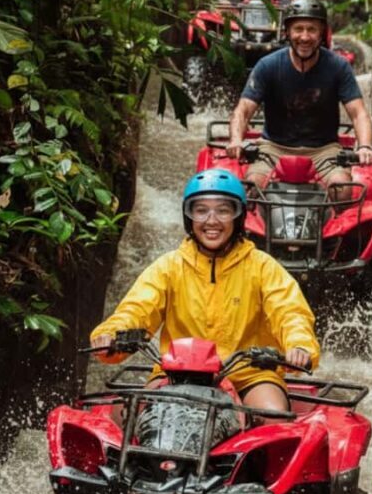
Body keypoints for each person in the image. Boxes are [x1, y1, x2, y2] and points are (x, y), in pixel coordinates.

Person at [90, 168, 319, 413]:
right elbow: (136, 310)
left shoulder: (263, 267)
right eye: (200, 211)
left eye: (223, 210)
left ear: (238, 217)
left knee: (272, 413)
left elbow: (290, 313)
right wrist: (111, 334)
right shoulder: (168, 266)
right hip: (176, 372)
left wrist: (299, 346)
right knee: (132, 414)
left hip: (249, 375)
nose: (211, 221)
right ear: (188, 217)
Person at [226, 0, 372, 201]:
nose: (304, 37)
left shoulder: (338, 67)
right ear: (287, 32)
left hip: (324, 150)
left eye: (312, 30)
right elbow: (243, 110)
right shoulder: (267, 65)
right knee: (251, 190)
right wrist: (236, 140)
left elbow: (359, 114)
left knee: (342, 191)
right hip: (273, 148)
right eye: (298, 29)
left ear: (322, 33)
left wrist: (365, 146)